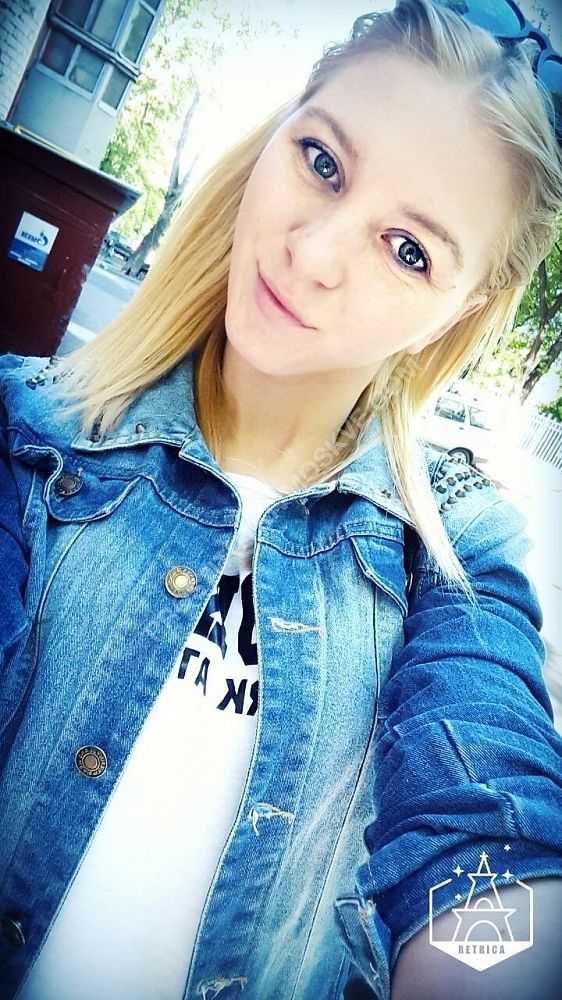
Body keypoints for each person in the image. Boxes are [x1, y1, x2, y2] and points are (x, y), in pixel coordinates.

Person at [1, 1, 562, 998]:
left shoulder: (453, 551)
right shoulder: (29, 434)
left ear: (464, 305)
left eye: (408, 250)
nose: (314, 254)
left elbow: (488, 820)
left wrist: (494, 961)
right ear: (278, 132)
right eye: (323, 162)